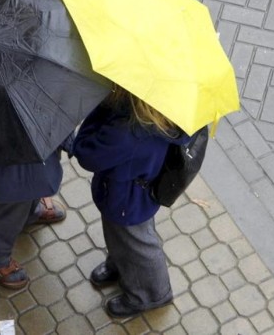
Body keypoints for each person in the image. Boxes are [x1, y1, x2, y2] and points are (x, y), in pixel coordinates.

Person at [72, 86, 192, 317]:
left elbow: (85, 153)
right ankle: (120, 263)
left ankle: (151, 295)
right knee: (125, 238)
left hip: (124, 198)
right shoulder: (167, 114)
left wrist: (102, 107)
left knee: (137, 243)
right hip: (139, 189)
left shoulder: (127, 132)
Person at [0, 140, 72, 289]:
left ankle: (30, 210)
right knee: (8, 196)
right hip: (0, 147)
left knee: (34, 177)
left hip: (33, 138)